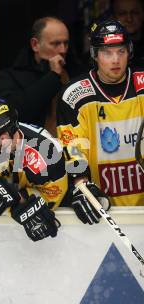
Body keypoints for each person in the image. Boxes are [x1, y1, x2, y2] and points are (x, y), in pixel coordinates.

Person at [57, 19, 144, 225]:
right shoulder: (75, 95)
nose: (115, 60)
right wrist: (81, 186)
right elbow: (73, 148)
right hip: (102, 208)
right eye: (107, 53)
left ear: (129, 52)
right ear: (95, 55)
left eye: (120, 51)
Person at [0, 94, 67, 242]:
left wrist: (17, 196)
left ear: (4, 138)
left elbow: (55, 196)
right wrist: (16, 199)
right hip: (0, 239)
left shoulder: (48, 151)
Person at [0, 16, 76, 136]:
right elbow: (16, 113)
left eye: (66, 43)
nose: (63, 50)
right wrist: (53, 76)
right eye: (55, 44)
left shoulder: (76, 71)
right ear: (35, 45)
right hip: (34, 149)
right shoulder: (9, 77)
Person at [111, 0, 144, 67]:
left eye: (135, 13)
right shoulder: (103, 50)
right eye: (122, 13)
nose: (129, 19)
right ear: (113, 17)